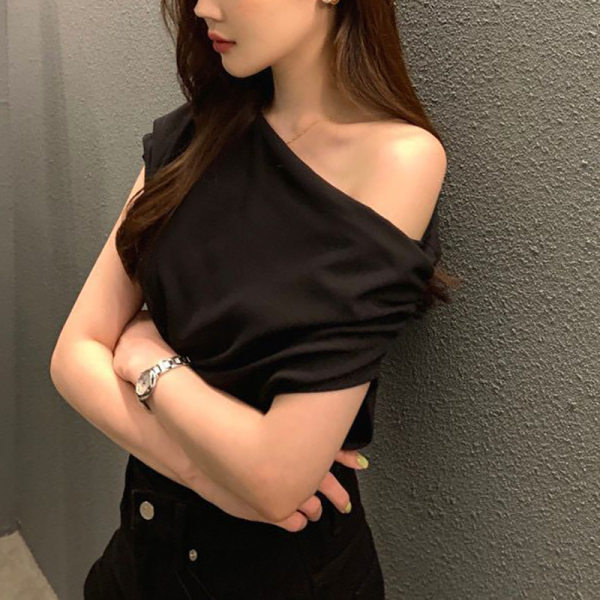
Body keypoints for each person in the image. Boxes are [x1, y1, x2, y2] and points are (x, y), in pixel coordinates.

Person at [50, 0, 456, 598]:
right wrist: (215, 480)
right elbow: (71, 358)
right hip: (143, 547)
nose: (201, 8)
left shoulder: (397, 160)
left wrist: (146, 359)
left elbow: (276, 476)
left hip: (282, 575)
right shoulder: (191, 135)